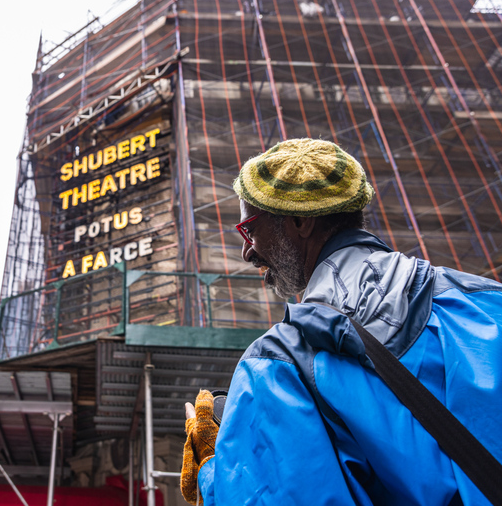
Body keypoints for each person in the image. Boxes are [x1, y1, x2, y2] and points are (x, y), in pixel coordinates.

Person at [181, 138, 502, 505]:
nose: (247, 250)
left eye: (249, 229)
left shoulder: (283, 363)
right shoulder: (486, 299)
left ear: (299, 221)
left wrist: (216, 470)